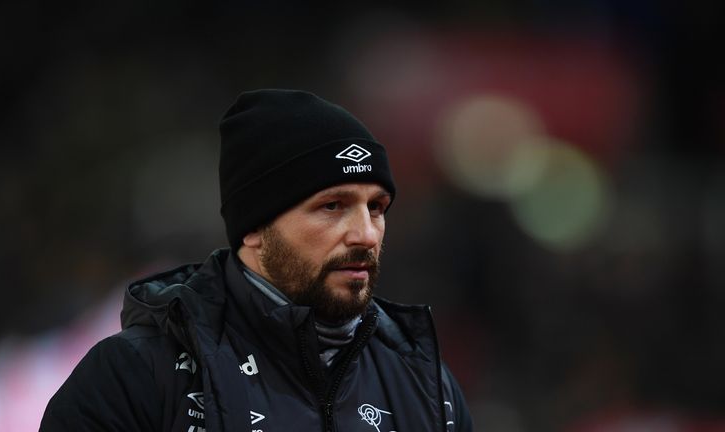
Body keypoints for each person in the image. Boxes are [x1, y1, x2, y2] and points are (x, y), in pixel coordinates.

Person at [40, 89, 472, 431]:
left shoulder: (427, 383)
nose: (365, 234)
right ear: (255, 227)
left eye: (376, 207)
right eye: (332, 206)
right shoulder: (136, 377)